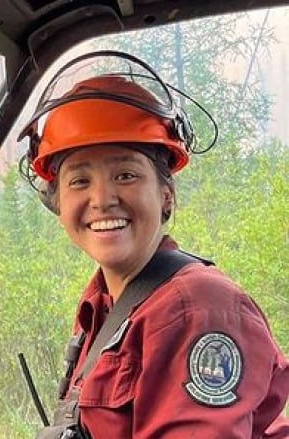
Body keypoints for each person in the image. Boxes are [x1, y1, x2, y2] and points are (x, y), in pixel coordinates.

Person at [17, 51, 289, 438]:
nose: (102, 198)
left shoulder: (194, 307)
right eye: (79, 181)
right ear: (57, 201)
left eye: (125, 174)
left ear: (165, 194)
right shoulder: (109, 304)